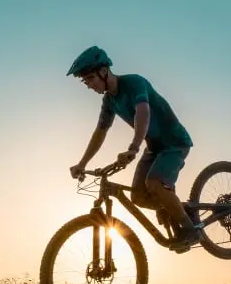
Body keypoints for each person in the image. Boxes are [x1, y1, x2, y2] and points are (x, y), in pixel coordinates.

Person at [67, 46, 201, 252]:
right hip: (154, 147)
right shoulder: (109, 101)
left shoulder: (134, 82)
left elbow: (143, 113)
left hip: (174, 142)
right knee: (138, 197)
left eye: (91, 78)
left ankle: (191, 230)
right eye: (86, 81)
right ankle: (177, 208)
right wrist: (82, 163)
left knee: (154, 183)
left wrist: (133, 147)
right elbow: (100, 132)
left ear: (104, 72)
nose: (89, 85)